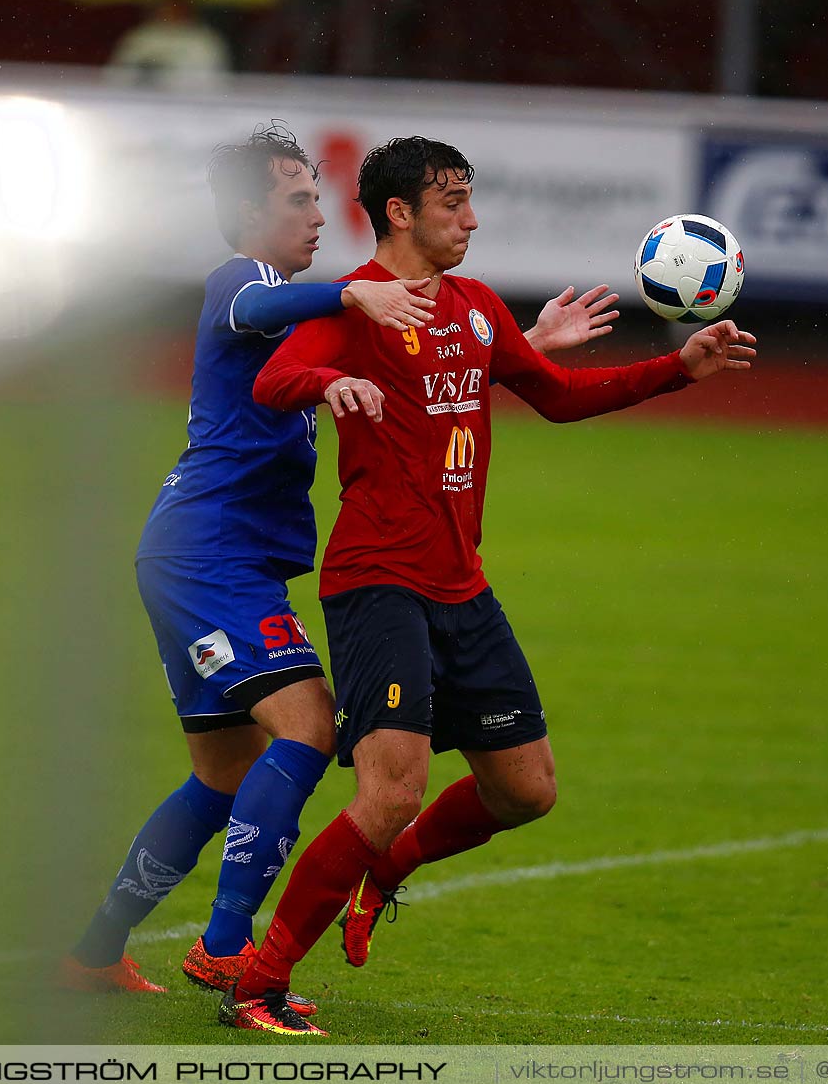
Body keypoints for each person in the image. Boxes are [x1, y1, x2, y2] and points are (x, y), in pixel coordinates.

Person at [58, 125, 622, 1008]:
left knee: (221, 775)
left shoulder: (321, 306)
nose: (316, 215)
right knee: (313, 729)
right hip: (210, 554)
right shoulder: (244, 282)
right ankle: (225, 948)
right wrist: (350, 302)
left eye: (317, 197)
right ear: (247, 215)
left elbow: (425, 373)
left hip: (216, 559)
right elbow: (259, 318)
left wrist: (526, 347)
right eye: (294, 201)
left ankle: (94, 952)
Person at [220, 137, 756, 1034]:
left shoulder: (473, 308)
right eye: (453, 203)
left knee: (527, 791)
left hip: (460, 587)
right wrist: (334, 380)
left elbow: (556, 394)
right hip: (377, 581)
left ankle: (386, 867)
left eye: (471, 202)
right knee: (389, 791)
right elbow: (274, 377)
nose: (471, 219)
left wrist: (678, 369)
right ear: (400, 212)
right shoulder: (358, 302)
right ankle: (258, 982)